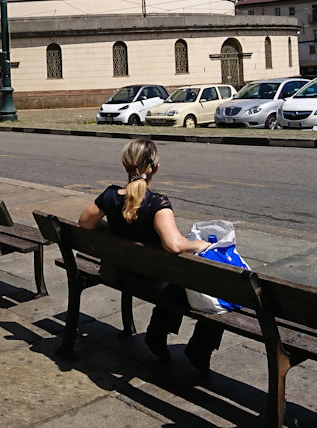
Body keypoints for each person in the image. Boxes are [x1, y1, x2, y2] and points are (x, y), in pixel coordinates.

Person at [78, 137, 222, 373]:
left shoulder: (110, 196)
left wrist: (111, 229)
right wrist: (198, 244)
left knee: (178, 282)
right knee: (218, 287)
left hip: (120, 274)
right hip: (155, 284)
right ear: (155, 167)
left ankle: (159, 329)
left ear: (126, 164)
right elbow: (174, 245)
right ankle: (194, 346)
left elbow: (85, 222)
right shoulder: (157, 203)